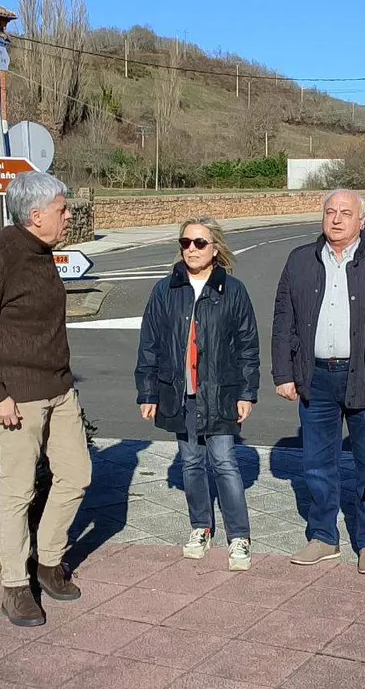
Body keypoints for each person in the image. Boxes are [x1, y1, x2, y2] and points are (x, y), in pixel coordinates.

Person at [0, 171, 91, 628]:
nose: (68, 216)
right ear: (35, 215)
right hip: (17, 401)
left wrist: (65, 383)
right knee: (17, 492)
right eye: (62, 209)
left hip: (59, 390)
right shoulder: (0, 257)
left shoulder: (42, 252)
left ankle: (48, 562)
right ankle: (14, 587)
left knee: (76, 476)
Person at [271, 189, 365, 574]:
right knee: (317, 463)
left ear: (362, 221)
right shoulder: (300, 260)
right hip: (315, 376)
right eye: (330, 211)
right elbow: (282, 319)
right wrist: (283, 373)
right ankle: (323, 536)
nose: (336, 219)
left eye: (346, 213)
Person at [135, 216, 260, 571]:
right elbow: (150, 344)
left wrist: (247, 392)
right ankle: (200, 526)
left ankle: (239, 536)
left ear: (215, 248)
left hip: (220, 392)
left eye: (199, 243)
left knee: (224, 462)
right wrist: (148, 392)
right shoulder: (165, 290)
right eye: (186, 242)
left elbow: (248, 346)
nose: (191, 249)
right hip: (179, 392)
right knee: (191, 463)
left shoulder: (232, 291)